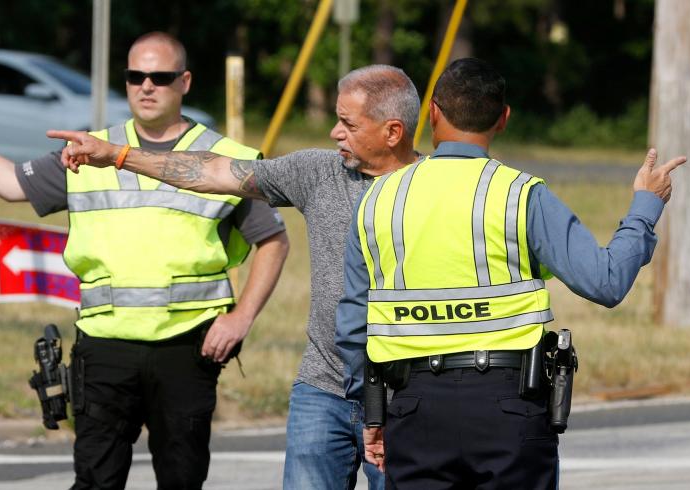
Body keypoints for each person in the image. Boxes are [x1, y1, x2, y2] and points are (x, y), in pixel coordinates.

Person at [0, 32, 289, 490]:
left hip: (187, 348)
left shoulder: (225, 159)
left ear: (186, 82)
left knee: (182, 480)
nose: (147, 86)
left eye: (161, 76)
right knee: (95, 481)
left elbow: (273, 240)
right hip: (104, 346)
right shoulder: (87, 150)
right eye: (136, 76)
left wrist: (241, 318)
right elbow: (11, 183)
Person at [47, 64, 421, 490]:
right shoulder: (319, 172)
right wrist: (116, 155)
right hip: (323, 388)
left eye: (348, 124)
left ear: (393, 132)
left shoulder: (434, 190)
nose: (335, 132)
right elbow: (213, 172)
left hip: (406, 394)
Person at [336, 58, 687, 489]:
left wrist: (373, 413)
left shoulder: (378, 200)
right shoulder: (520, 196)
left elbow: (354, 322)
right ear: (503, 119)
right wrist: (645, 206)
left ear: (432, 112)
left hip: (414, 407)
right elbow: (605, 281)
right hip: (507, 406)